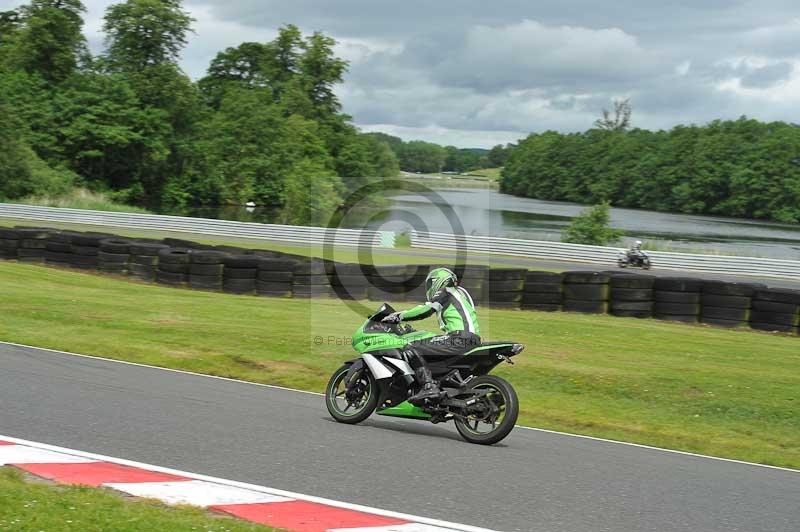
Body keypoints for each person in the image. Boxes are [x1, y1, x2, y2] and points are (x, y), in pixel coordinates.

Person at [382, 267, 481, 406]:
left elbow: (426, 310)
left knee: (409, 347)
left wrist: (399, 316)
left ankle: (429, 386)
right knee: (427, 347)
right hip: (471, 340)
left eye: (430, 284)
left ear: (438, 281)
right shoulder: (462, 293)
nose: (429, 288)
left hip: (458, 339)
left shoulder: (446, 291)